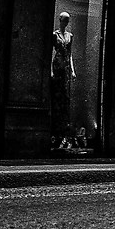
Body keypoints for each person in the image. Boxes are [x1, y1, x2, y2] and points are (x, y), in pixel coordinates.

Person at [49, 13, 76, 152]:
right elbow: (52, 52)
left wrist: (72, 69)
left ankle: (63, 132)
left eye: (68, 21)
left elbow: (70, 54)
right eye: (64, 20)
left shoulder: (69, 36)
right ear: (60, 20)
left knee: (65, 98)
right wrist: (51, 70)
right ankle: (56, 132)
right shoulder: (55, 35)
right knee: (57, 96)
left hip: (65, 66)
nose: (66, 23)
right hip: (57, 64)